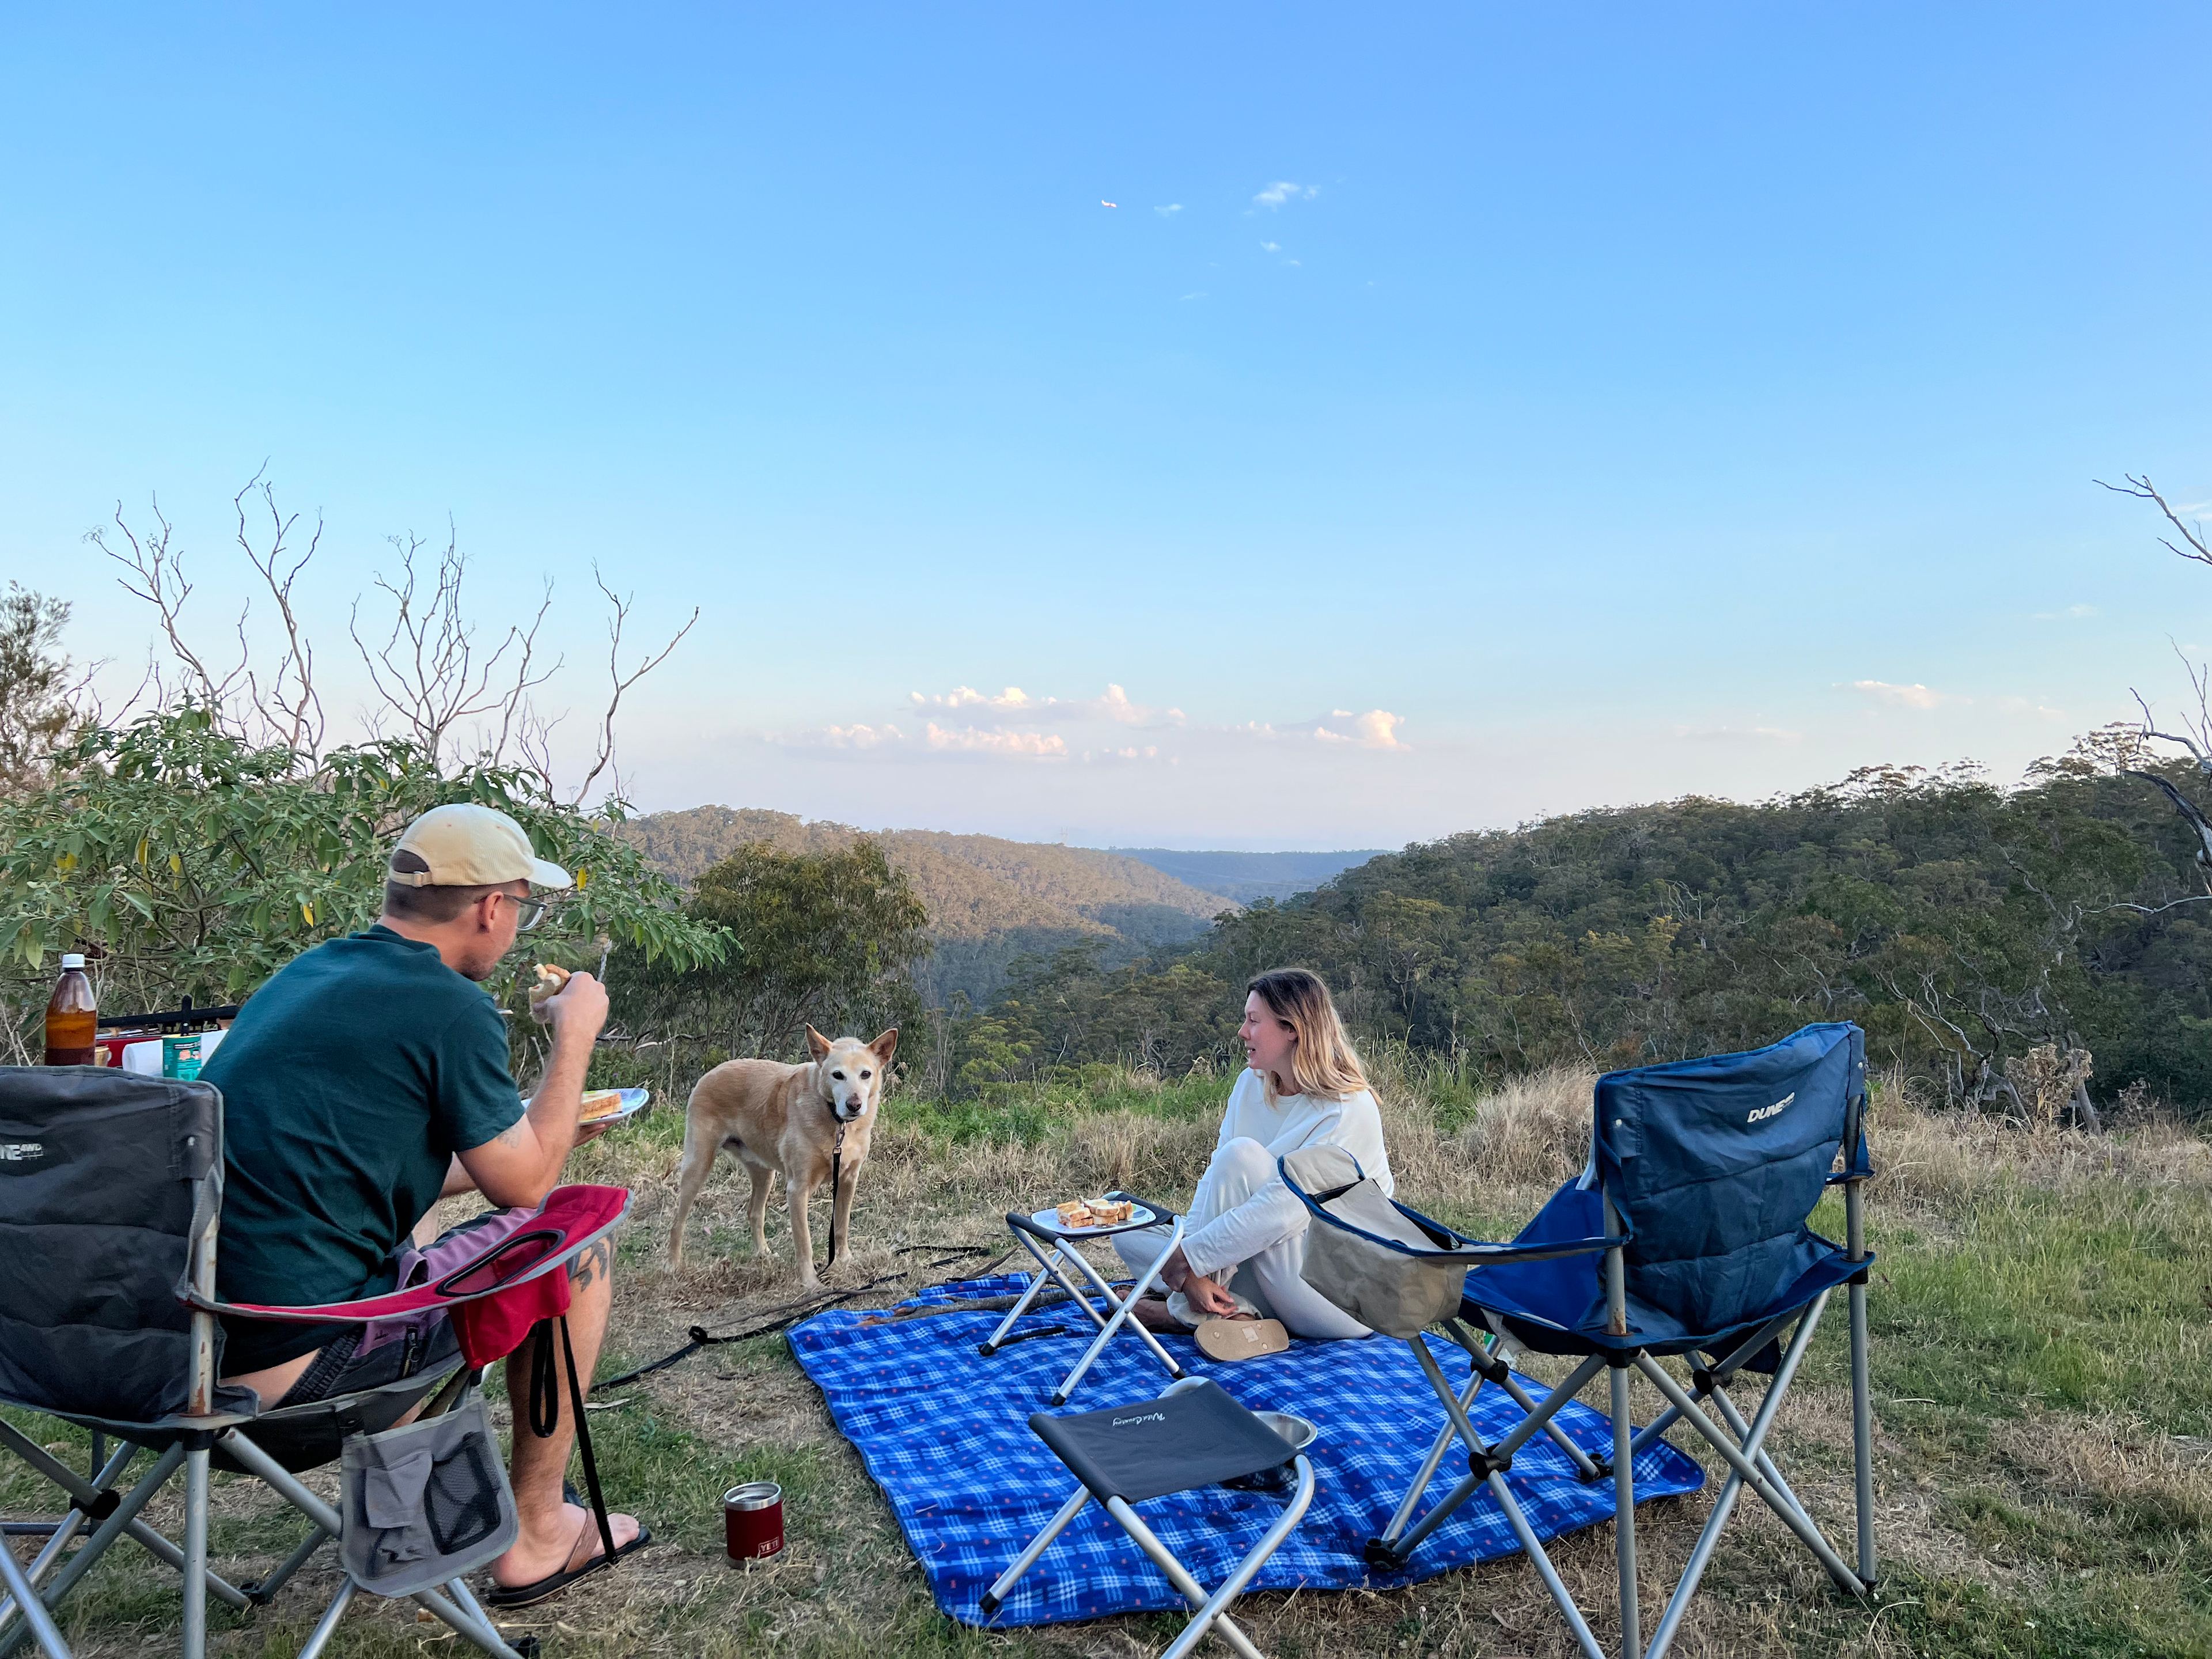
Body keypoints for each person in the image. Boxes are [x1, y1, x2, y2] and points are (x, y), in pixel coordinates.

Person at [204, 802, 647, 1608]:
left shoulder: (306, 976)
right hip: (298, 1380)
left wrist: (530, 1145)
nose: (517, 924)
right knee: (575, 1244)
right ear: (491, 908)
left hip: (178, 1363)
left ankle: (481, 1509)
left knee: (527, 1211)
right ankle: (541, 1533)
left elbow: (353, 1165)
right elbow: (528, 1188)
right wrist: (574, 1035)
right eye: (522, 906)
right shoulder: (451, 1005)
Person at [1119, 968, 1389, 1342]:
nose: (1243, 1032)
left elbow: (1281, 1212)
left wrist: (1190, 1259)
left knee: (1241, 1157)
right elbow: (1215, 1179)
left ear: (1292, 1028)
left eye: (1254, 1021)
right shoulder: (1251, 1084)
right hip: (1266, 1267)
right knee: (1128, 1230)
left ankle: (1181, 1314)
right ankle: (1222, 1306)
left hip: (1339, 1296)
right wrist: (1191, 1263)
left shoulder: (1347, 1109)